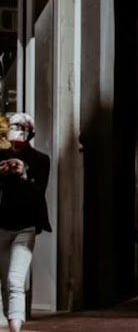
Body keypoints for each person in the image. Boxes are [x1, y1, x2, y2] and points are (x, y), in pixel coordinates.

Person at [0, 114, 48, 332]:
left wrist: (24, 174)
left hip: (25, 226)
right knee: (4, 281)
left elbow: (38, 193)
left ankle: (15, 328)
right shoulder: (2, 156)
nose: (15, 144)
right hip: (2, 225)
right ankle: (9, 320)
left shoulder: (40, 160)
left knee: (15, 280)